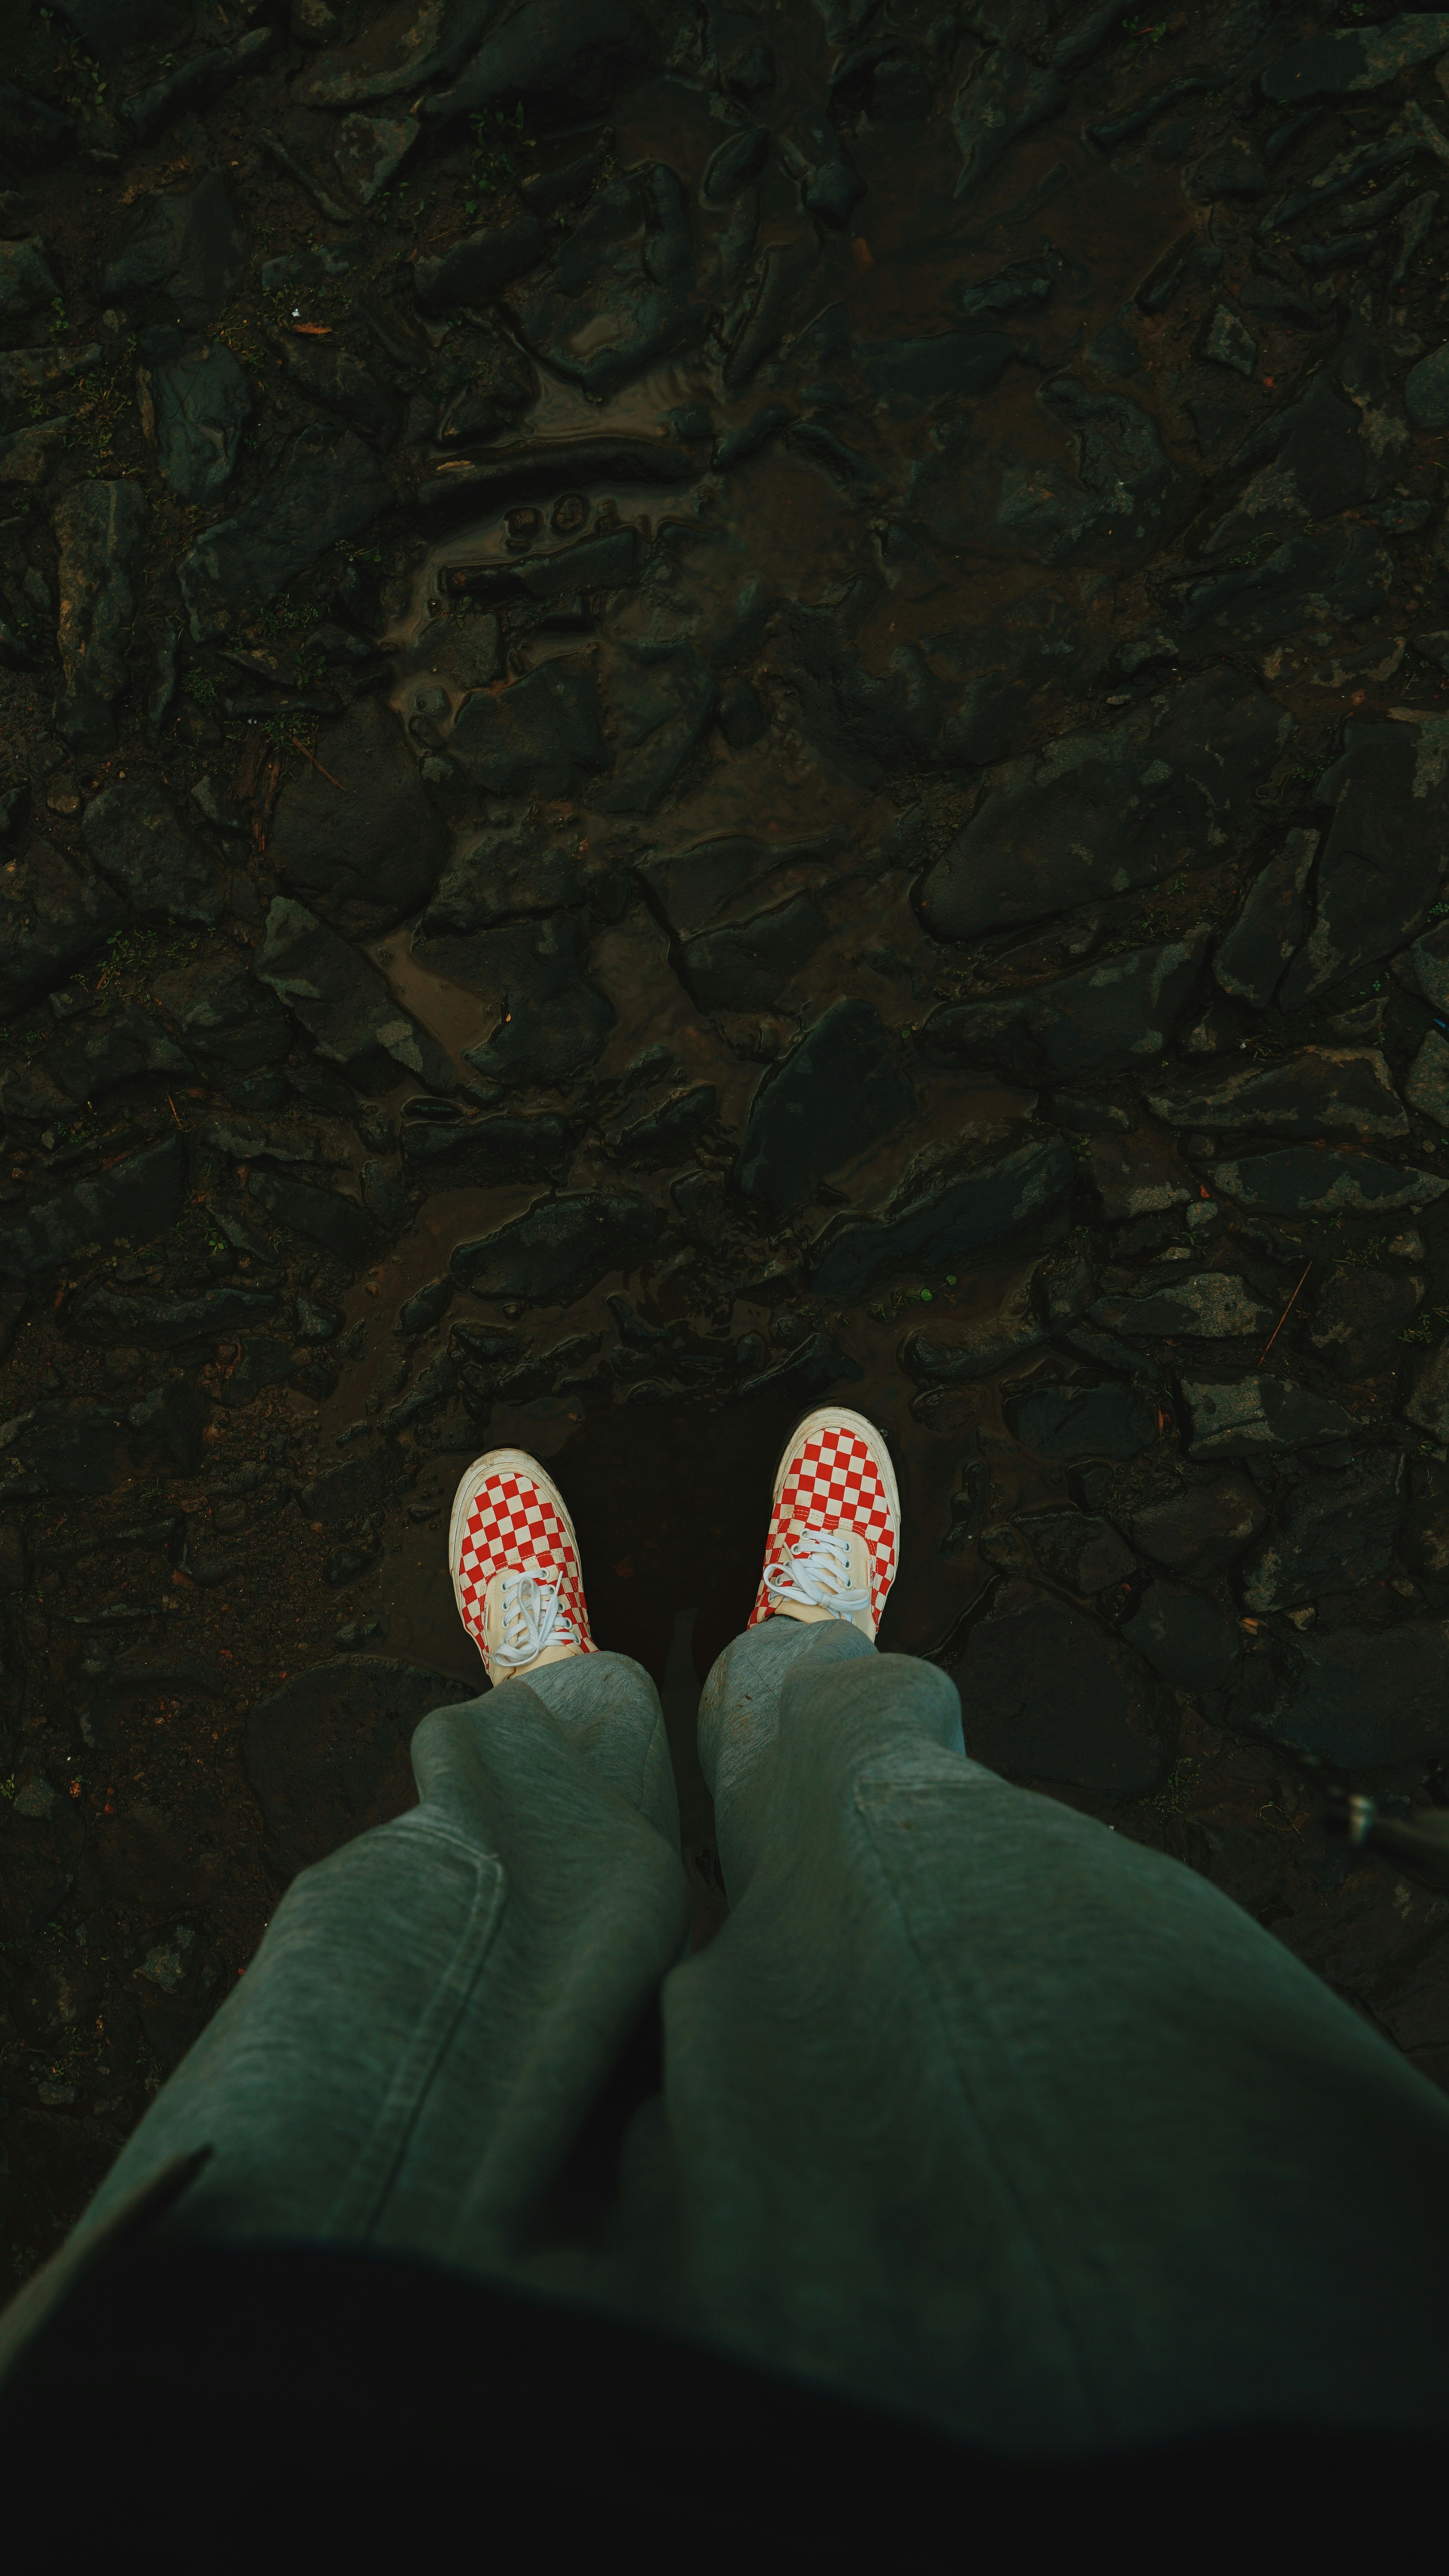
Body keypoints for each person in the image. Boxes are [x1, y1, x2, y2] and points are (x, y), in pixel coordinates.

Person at [2, 1406, 1447, 2545]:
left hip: (230, 2448)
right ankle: (801, 1671)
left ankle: (566, 1709)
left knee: (455, 1921)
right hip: (1249, 2422)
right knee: (923, 1858)